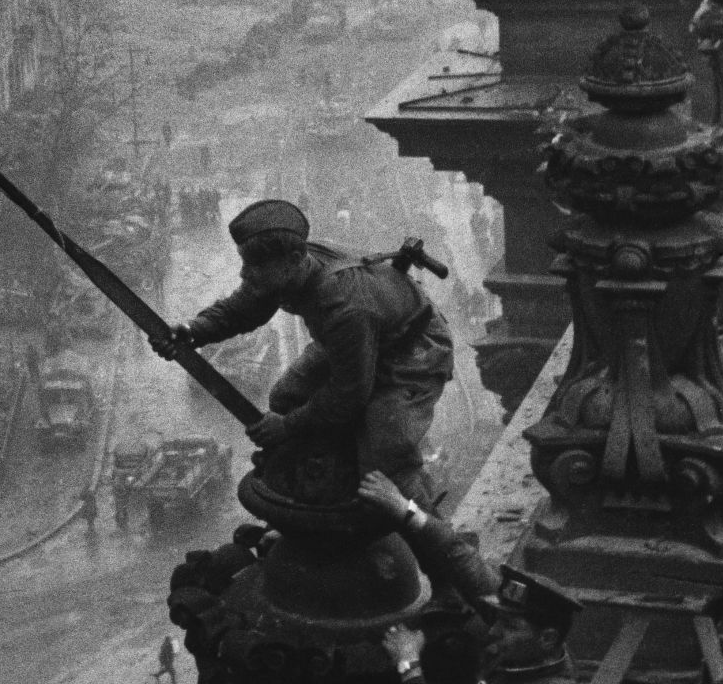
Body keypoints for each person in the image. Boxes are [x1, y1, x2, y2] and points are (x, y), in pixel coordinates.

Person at [154, 200, 454, 504]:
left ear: (295, 259)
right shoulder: (291, 266)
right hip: (357, 337)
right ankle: (328, 476)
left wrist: (286, 427)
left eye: (255, 266)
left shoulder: (342, 305)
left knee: (384, 455)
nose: (245, 274)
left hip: (413, 351)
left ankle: (428, 528)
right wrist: (193, 330)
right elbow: (246, 305)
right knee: (286, 397)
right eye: (246, 263)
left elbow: (349, 393)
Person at [358, 471, 583, 684]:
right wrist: (406, 510)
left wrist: (408, 663)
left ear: (547, 638)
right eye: (499, 619)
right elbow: (464, 561)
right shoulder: (531, 652)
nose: (494, 630)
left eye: (509, 625)